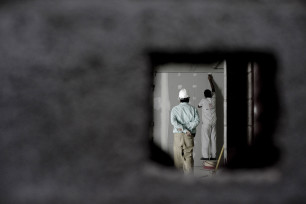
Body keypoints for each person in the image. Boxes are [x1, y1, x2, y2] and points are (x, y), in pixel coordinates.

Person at [170, 88, 200, 174]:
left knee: (178, 157)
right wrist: (187, 129)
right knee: (188, 156)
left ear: (179, 99)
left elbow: (174, 122)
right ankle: (189, 180)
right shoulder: (193, 109)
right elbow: (197, 121)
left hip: (178, 135)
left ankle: (179, 180)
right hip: (189, 135)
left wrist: (183, 129)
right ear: (188, 98)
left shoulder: (174, 109)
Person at [198, 74, 217, 160]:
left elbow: (198, 106)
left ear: (204, 95)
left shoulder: (203, 100)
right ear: (211, 94)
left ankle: (205, 156)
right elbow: (213, 89)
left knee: (206, 139)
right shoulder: (214, 99)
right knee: (213, 139)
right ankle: (213, 156)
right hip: (214, 122)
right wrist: (210, 80)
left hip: (206, 124)